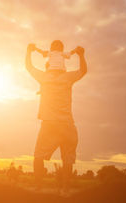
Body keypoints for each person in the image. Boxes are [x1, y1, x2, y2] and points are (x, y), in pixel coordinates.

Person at [25, 41, 87, 195]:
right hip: (67, 123)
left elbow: (29, 67)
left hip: (49, 124)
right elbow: (83, 70)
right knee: (67, 158)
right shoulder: (68, 77)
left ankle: (38, 187)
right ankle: (65, 189)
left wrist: (29, 51)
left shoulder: (44, 77)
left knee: (38, 156)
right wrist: (81, 55)